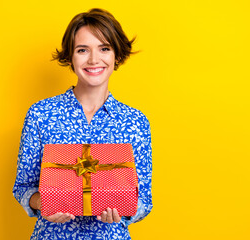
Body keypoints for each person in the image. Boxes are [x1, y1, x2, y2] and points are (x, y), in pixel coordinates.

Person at [12, 8, 152, 239]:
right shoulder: (41, 114)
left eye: (104, 48)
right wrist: (44, 205)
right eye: (82, 50)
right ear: (70, 57)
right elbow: (23, 187)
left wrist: (124, 210)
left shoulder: (135, 121)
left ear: (116, 55)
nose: (94, 59)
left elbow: (144, 199)